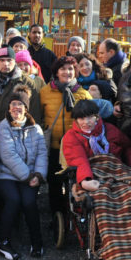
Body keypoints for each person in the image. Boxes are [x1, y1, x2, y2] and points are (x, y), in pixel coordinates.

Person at [61, 100, 131, 260]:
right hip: (93, 173)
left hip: (116, 171)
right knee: (102, 198)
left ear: (97, 116)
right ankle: (116, 253)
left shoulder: (110, 129)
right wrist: (85, 179)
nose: (86, 122)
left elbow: (128, 146)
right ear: (76, 120)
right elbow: (79, 159)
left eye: (90, 117)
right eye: (81, 119)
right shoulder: (72, 136)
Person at [0, 87, 47, 260]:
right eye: (13, 104)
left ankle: (37, 241)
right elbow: (8, 155)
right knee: (13, 200)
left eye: (20, 104)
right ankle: (3, 242)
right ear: (8, 107)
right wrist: (28, 176)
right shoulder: (4, 126)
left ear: (26, 108)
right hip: (7, 174)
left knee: (29, 201)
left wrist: (38, 175)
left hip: (31, 175)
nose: (16, 108)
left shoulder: (35, 128)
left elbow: (41, 153)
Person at [39, 56, 92, 213]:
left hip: (74, 149)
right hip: (53, 147)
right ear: (56, 72)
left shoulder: (83, 94)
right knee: (54, 184)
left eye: (70, 69)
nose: (67, 72)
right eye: (63, 69)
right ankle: (56, 217)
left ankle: (72, 216)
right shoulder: (45, 92)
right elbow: (39, 117)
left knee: (74, 185)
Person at [0, 47, 42, 125]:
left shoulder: (26, 82)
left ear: (15, 61)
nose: (5, 64)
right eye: (1, 60)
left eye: (9, 60)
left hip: (16, 130)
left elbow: (35, 112)